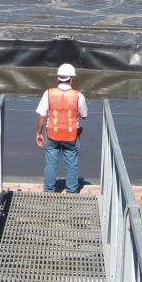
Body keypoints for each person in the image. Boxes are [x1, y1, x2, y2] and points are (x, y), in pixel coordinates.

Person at [35, 63, 89, 193]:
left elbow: (42, 116)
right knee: (72, 166)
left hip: (52, 135)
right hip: (71, 137)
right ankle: (71, 191)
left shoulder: (48, 93)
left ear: (58, 78)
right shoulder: (78, 96)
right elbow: (84, 116)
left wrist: (39, 133)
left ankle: (48, 191)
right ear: (71, 79)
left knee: (50, 165)